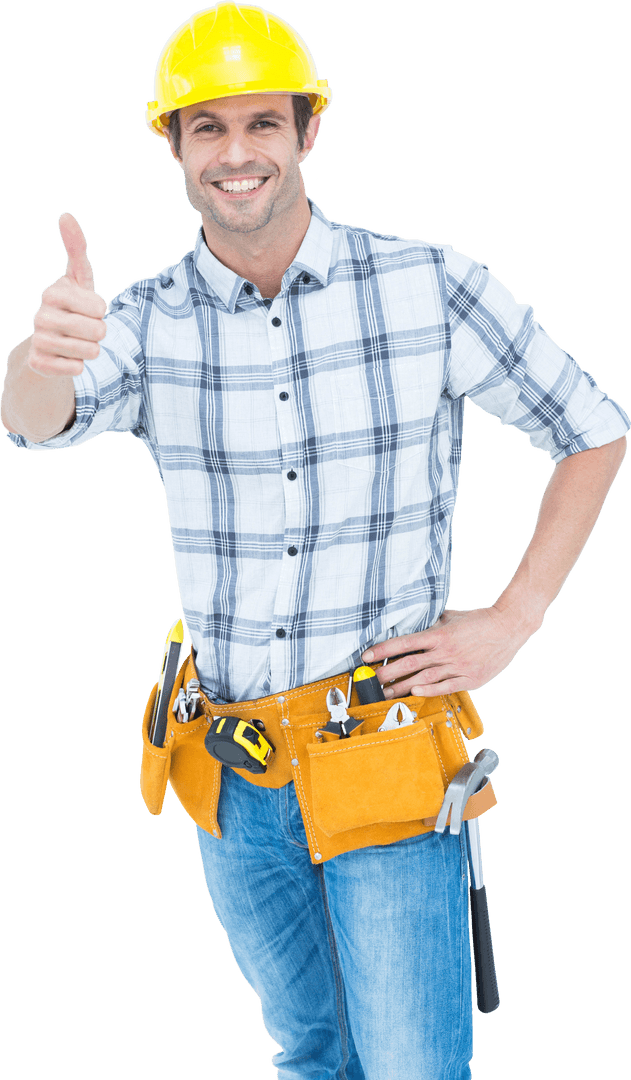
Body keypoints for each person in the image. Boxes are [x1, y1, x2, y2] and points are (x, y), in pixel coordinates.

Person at [1, 2, 628, 1077]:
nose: (237, 153)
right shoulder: (142, 322)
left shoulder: (428, 285)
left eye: (261, 124)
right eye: (208, 129)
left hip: (385, 762)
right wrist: (44, 353)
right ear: (174, 146)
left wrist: (514, 616)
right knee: (309, 1052)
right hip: (233, 773)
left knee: (410, 1069)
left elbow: (593, 429)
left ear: (307, 132)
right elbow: (34, 421)